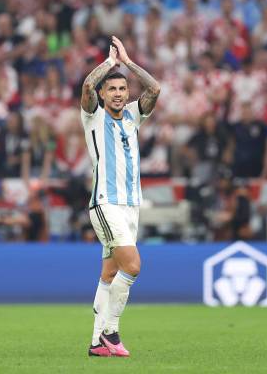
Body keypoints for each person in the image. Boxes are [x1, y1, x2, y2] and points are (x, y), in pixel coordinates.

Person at [80, 36, 160, 357]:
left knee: (111, 273)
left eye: (122, 89)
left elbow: (154, 90)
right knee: (134, 265)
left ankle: (96, 341)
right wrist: (108, 65)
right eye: (111, 89)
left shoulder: (132, 115)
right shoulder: (93, 115)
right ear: (103, 94)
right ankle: (111, 330)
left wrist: (127, 63)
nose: (117, 94)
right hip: (105, 203)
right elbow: (86, 88)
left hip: (131, 206)